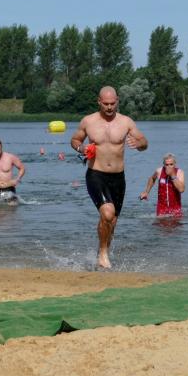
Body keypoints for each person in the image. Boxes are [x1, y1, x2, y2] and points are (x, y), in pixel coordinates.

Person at [71, 86, 148, 269]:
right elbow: (75, 140)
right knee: (107, 213)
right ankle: (104, 255)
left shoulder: (126, 122)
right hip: (96, 175)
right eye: (105, 103)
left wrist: (139, 144)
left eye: (112, 103)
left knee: (111, 222)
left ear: (117, 101)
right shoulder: (88, 121)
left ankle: (101, 253)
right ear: (99, 101)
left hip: (118, 178)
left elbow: (144, 143)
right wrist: (81, 148)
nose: (109, 107)